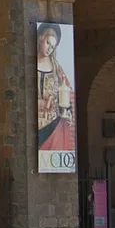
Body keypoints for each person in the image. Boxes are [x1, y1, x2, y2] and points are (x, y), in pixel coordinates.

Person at [36, 23, 76, 155]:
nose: (49, 49)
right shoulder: (30, 65)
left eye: (52, 47)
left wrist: (67, 110)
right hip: (34, 123)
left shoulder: (56, 67)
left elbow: (66, 92)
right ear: (41, 38)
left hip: (53, 124)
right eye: (48, 43)